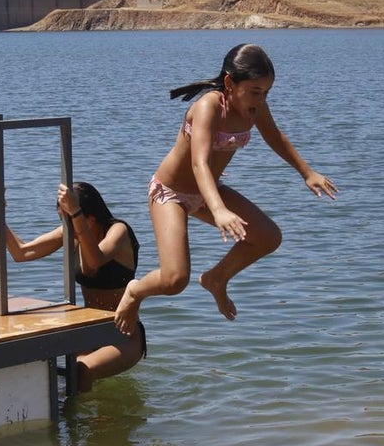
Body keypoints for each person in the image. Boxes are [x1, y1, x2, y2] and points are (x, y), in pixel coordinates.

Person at [114, 43, 337, 335]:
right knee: (174, 280)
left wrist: (306, 172)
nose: (261, 99)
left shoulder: (254, 107)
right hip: (171, 193)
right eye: (255, 91)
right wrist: (218, 209)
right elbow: (199, 164)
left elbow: (275, 136)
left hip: (208, 191)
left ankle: (217, 278)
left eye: (266, 92)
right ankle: (134, 291)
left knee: (268, 236)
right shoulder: (209, 106)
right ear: (230, 83)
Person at [0, 182, 144, 393]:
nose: (65, 226)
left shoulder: (118, 231)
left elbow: (94, 262)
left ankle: (89, 424)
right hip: (91, 331)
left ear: (90, 218)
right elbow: (21, 253)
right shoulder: (72, 231)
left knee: (81, 371)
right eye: (63, 219)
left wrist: (75, 213)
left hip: (124, 333)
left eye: (67, 218)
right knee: (61, 374)